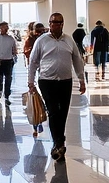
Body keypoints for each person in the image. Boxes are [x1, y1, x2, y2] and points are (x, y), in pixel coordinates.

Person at [28, 12, 86, 162]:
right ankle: (58, 143)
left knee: (63, 113)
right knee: (53, 112)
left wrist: (81, 79)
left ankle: (59, 141)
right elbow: (33, 62)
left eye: (59, 22)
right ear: (49, 23)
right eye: (53, 22)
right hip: (47, 81)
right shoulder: (42, 40)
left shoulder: (69, 40)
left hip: (65, 81)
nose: (56, 25)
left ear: (63, 24)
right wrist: (31, 82)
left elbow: (77, 60)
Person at [0, 22, 19, 104]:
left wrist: (14, 56)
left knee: (8, 78)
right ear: (0, 28)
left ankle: (7, 95)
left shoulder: (11, 38)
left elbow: (14, 50)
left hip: (8, 61)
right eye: (4, 27)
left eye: (7, 27)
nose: (6, 29)